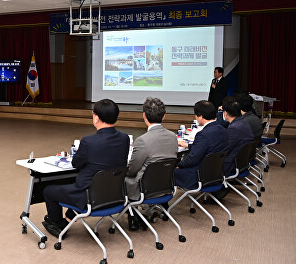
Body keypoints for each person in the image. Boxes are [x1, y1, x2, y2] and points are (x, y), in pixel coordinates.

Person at [41, 99, 130, 237]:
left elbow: (76, 163)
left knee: (48, 190)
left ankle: (57, 224)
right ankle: (66, 221)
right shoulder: (125, 138)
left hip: (89, 196)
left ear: (96, 118)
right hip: (113, 194)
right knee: (82, 183)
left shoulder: (89, 141)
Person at [125, 97, 178, 231]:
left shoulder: (143, 141)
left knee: (123, 179)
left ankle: (133, 217)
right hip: (166, 185)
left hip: (145, 189)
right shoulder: (173, 137)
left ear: (144, 115)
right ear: (164, 116)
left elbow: (132, 170)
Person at [175, 101, 227, 190]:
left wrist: (179, 165)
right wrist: (188, 145)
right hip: (215, 173)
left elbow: (193, 158)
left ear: (200, 116)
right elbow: (207, 148)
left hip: (198, 176)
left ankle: (162, 202)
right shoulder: (222, 129)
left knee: (166, 172)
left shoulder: (203, 134)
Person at [220, 97, 254, 177]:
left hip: (231, 164)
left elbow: (224, 148)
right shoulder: (243, 123)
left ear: (225, 113)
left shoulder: (234, 128)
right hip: (242, 162)